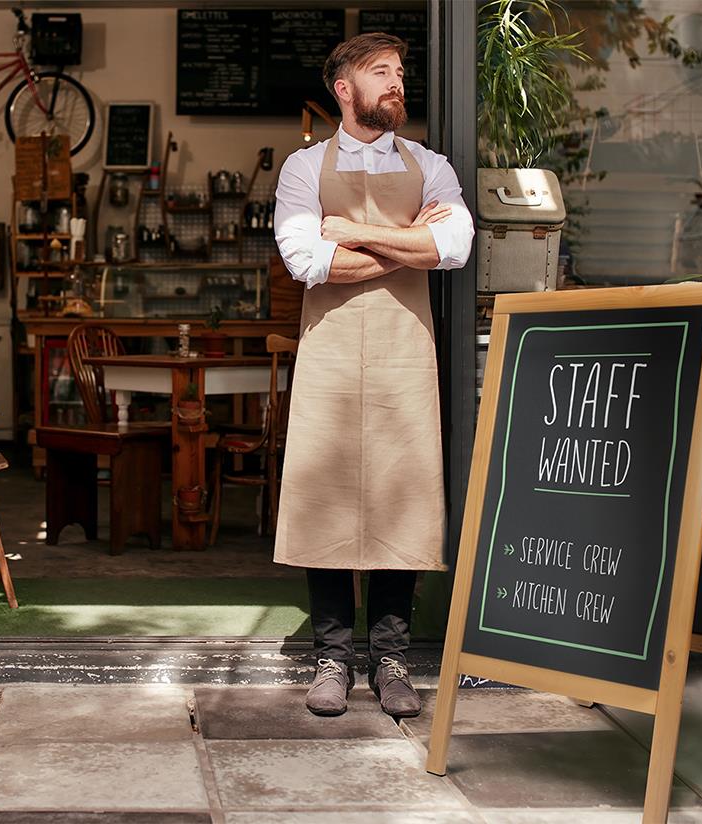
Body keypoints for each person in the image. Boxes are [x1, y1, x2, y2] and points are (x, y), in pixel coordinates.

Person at [272, 32, 474, 718]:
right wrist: (407, 245)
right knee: (325, 500)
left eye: (398, 72)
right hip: (328, 351)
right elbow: (306, 262)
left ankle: (390, 657)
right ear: (342, 89)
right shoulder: (301, 168)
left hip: (402, 352)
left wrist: (351, 233)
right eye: (377, 72)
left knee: (401, 498)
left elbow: (454, 245)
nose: (394, 82)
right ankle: (331, 655)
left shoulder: (432, 165)